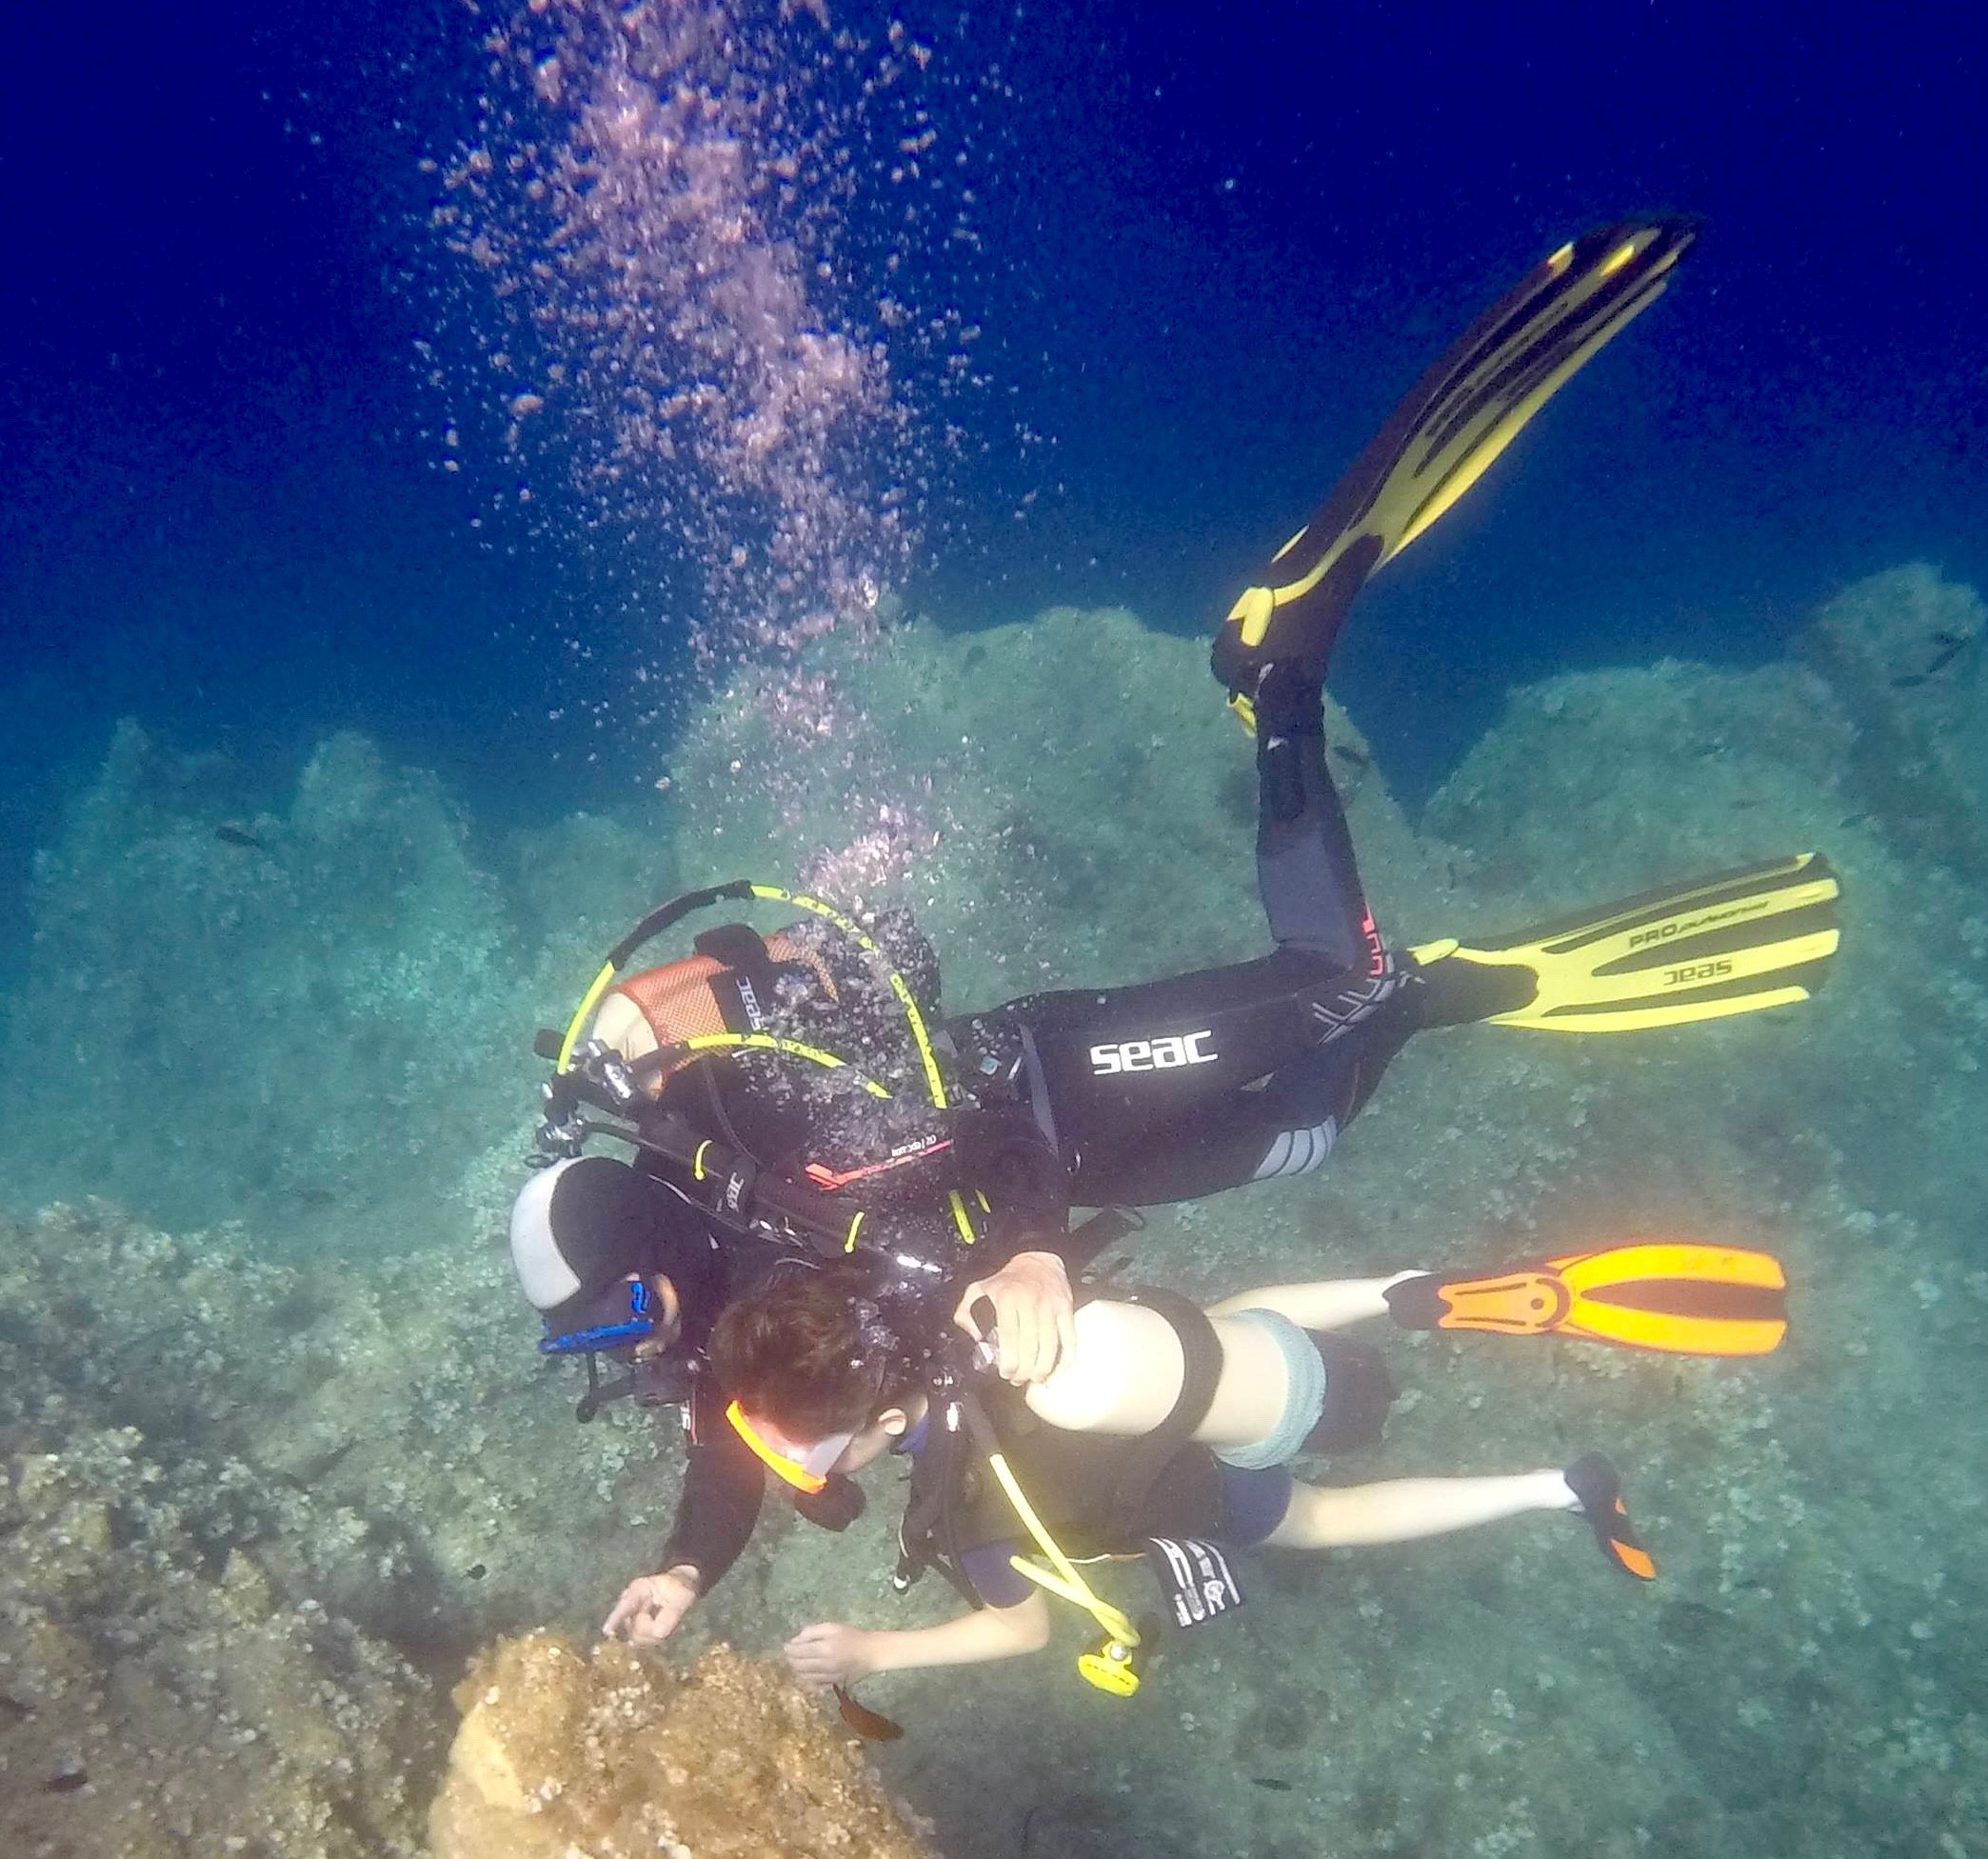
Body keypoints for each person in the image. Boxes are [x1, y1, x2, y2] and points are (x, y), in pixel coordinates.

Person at [519, 214, 1834, 1639]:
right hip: (1095, 1170)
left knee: (1330, 979)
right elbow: (729, 1452)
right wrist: (682, 1573)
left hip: (1049, 1090)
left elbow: (966, 1111)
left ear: (641, 1225)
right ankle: (1430, 1001)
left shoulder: (743, 1144)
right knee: (1316, 1126)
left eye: (620, 1302)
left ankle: (1276, 679)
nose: (640, 1333)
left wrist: (1018, 1241)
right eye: (613, 1326)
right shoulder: (723, 1327)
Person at [683, 1253, 1766, 1692]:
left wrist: (875, 1648)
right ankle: (1412, 1287)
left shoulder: (966, 1508)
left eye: (796, 1447)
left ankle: (1558, 1486)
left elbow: (1020, 1628)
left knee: (1328, 1520)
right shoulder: (952, 1297)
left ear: (876, 1416)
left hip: (1208, 1485)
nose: (785, 1465)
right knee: (1240, 1313)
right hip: (1233, 1368)